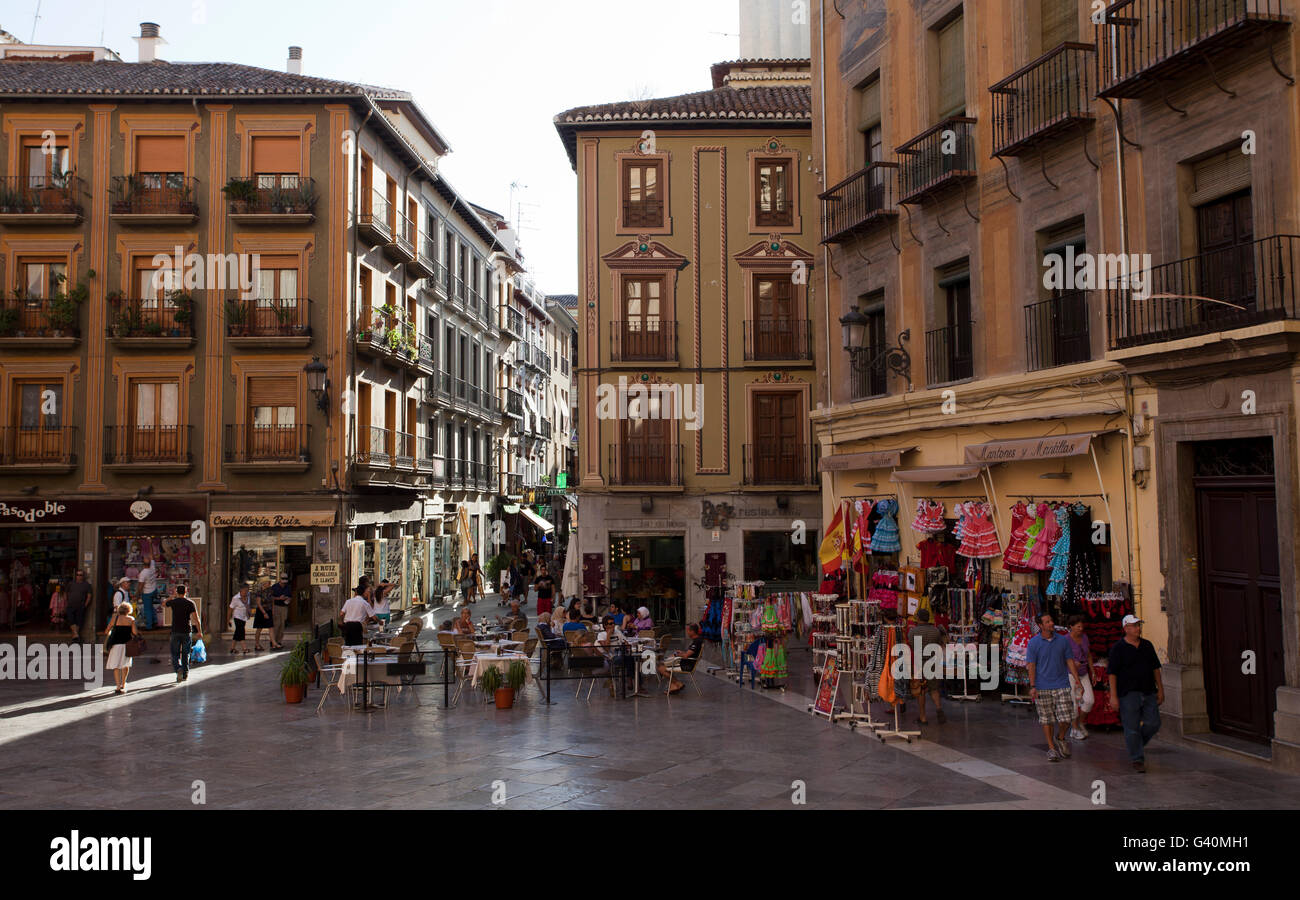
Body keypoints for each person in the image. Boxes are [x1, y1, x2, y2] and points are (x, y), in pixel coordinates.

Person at [1108, 614, 1164, 773]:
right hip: (1128, 693)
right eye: (1134, 625)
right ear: (1126, 628)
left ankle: (1135, 745)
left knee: (1154, 723)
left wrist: (1160, 688)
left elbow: (1155, 668)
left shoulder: (1147, 645)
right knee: (1131, 727)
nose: (1138, 628)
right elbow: (1112, 673)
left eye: (1138, 625)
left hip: (1148, 690)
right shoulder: (1118, 648)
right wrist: (1113, 696)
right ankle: (1137, 758)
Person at [1026, 612, 1080, 762]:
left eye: (1051, 620)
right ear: (1041, 626)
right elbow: (1031, 665)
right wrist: (1032, 686)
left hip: (1061, 683)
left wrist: (1077, 680)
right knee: (1047, 719)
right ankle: (1051, 748)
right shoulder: (1033, 643)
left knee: (1067, 718)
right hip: (1042, 686)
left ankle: (1060, 737)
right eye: (1047, 622)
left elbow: (1069, 661)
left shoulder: (1062, 641)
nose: (1051, 623)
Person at [907, 608, 947, 725]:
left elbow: (912, 646)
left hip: (920, 664)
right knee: (934, 689)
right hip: (933, 663)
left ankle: (923, 717)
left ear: (918, 618)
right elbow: (940, 644)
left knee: (921, 691)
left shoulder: (913, 631)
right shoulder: (936, 631)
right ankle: (939, 708)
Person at [1066, 615, 1094, 740]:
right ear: (1071, 627)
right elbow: (1062, 657)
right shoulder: (1065, 640)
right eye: (1078, 626)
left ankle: (1080, 723)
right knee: (1073, 703)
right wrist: (1072, 662)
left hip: (1083, 672)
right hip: (1070, 674)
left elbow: (1088, 655)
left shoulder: (1085, 638)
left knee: (1089, 700)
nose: (1081, 629)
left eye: (1082, 626)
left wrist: (1092, 671)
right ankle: (1074, 728)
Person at [103, 600, 141, 694]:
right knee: (125, 665)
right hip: (127, 645)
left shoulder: (114, 618)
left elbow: (107, 631)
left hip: (115, 645)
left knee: (116, 666)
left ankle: (117, 686)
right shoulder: (131, 619)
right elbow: (135, 633)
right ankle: (123, 684)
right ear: (129, 610)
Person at [166, 584, 201, 684]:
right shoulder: (190, 603)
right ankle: (185, 673)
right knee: (186, 653)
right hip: (186, 631)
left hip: (175, 631)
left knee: (175, 653)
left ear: (177, 592)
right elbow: (196, 618)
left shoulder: (173, 602)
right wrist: (199, 631)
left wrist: (172, 596)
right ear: (186, 592)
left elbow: (164, 604)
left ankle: (178, 669)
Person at [657, 623, 704, 694]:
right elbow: (688, 653)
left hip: (687, 665)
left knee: (661, 668)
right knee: (664, 664)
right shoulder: (697, 640)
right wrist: (680, 652)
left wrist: (676, 654)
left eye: (688, 630)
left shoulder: (696, 642)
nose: (686, 632)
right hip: (686, 662)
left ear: (692, 631)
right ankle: (674, 686)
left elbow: (686, 656)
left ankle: (678, 684)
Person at [65, 569, 92, 641]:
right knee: (71, 620)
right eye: (77, 575)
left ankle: (75, 636)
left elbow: (89, 596)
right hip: (70, 605)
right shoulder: (71, 584)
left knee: (79, 621)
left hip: (80, 606)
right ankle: (76, 635)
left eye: (80, 575)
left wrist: (85, 605)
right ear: (75, 576)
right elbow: (66, 593)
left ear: (83, 576)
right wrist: (66, 601)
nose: (79, 576)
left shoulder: (87, 585)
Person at [269, 573, 292, 650]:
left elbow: (290, 596)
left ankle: (279, 641)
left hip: (284, 607)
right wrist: (279, 598)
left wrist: (287, 599)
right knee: (276, 624)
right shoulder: (274, 587)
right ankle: (273, 641)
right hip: (276, 606)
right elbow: (270, 597)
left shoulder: (288, 587)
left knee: (282, 624)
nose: (283, 584)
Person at [229, 583, 252, 654]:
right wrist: (228, 620)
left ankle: (232, 648)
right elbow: (230, 609)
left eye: (247, 590)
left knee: (237, 632)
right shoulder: (235, 598)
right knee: (241, 631)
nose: (246, 592)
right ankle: (244, 648)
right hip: (237, 617)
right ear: (241, 590)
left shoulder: (248, 596)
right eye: (245, 590)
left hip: (244, 617)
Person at [137, 556, 159, 630]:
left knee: (147, 609)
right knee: (151, 607)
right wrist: (150, 544)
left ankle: (149, 626)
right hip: (154, 590)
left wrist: (137, 595)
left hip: (147, 592)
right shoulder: (152, 567)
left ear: (142, 564)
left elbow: (140, 586)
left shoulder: (143, 573)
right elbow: (152, 555)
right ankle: (155, 621)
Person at [251, 583, 273, 651]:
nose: (269, 584)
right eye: (267, 583)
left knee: (271, 626)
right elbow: (258, 603)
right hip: (261, 612)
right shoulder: (259, 592)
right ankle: (257, 644)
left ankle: (274, 643)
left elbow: (272, 601)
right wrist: (264, 613)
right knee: (259, 628)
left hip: (268, 610)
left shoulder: (270, 591)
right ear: (264, 583)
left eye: (269, 583)